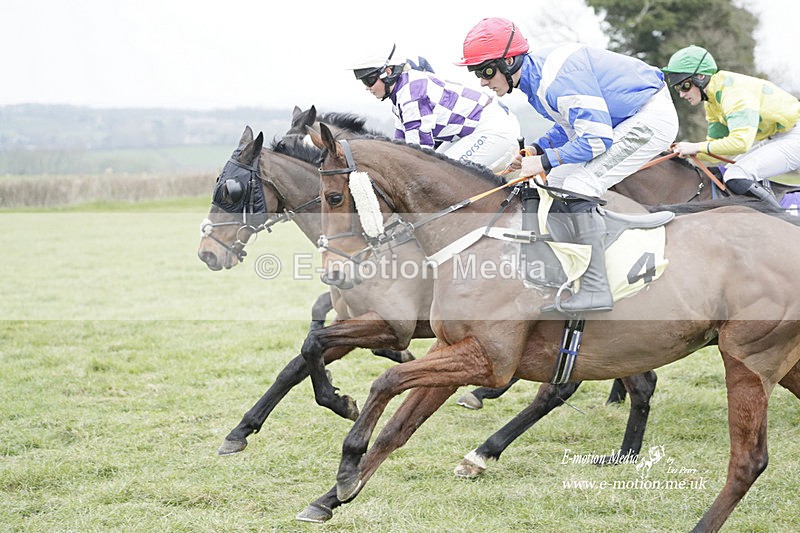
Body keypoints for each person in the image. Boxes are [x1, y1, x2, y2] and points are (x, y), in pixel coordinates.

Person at [456, 17, 679, 313]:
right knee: (556, 182)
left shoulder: (555, 82)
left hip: (649, 116)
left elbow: (596, 139)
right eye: (476, 73)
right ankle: (567, 271)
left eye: (485, 71)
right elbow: (569, 126)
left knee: (578, 184)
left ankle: (596, 288)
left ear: (509, 61)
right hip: (622, 119)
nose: (483, 81)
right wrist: (536, 149)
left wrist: (543, 161)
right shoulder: (534, 82)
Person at [663, 45, 800, 210]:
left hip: (795, 136)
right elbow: (717, 153)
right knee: (726, 173)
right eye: (677, 88)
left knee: (736, 175)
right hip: (779, 136)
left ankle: (781, 219)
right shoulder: (712, 101)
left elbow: (740, 143)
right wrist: (688, 151)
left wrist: (696, 147)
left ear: (701, 77)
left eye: (684, 86)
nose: (682, 94)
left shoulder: (733, 94)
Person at [351, 45, 521, 171]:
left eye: (369, 81)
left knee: (443, 176)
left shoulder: (412, 95)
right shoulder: (401, 94)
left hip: (493, 129)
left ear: (388, 72)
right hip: (476, 129)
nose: (367, 88)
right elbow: (400, 146)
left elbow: (417, 156)